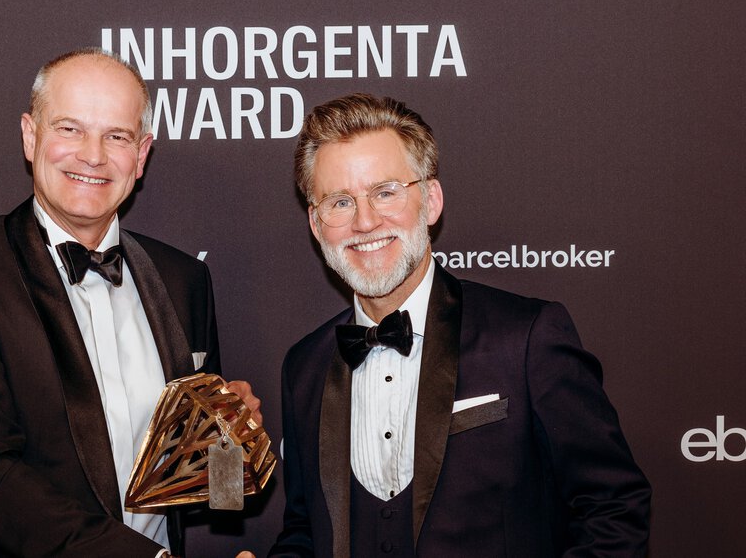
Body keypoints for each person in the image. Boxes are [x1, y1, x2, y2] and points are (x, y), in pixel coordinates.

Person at [0, 48, 260, 558]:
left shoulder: (184, 280)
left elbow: (205, 494)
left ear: (142, 155)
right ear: (31, 136)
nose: (93, 155)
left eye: (117, 136)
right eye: (70, 129)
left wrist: (228, 447)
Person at [268, 93, 651, 557]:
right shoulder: (304, 367)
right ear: (315, 221)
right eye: (340, 202)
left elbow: (612, 509)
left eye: (385, 192)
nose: (365, 221)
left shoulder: (526, 338)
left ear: (429, 201)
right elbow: (307, 533)